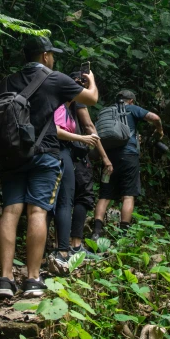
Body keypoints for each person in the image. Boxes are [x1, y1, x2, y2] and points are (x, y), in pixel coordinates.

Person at [0, 35, 98, 300]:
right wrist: (91, 79)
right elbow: (92, 98)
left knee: (10, 210)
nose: (53, 58)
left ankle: (5, 279)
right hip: (44, 154)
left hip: (11, 156)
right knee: (38, 211)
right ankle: (32, 278)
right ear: (44, 56)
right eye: (52, 54)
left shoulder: (6, 81)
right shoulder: (55, 78)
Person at [92, 88, 163, 239]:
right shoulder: (132, 109)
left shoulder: (108, 112)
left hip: (107, 157)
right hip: (128, 157)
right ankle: (123, 234)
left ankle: (96, 232)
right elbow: (155, 117)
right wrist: (159, 131)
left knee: (104, 195)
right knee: (128, 195)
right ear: (130, 101)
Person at [49, 99, 100, 272]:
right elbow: (88, 125)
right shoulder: (65, 104)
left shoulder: (60, 103)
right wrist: (84, 140)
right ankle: (66, 249)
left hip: (50, 153)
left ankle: (57, 250)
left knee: (48, 204)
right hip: (63, 153)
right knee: (68, 201)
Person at [68, 72, 113, 255]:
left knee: (63, 200)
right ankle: (76, 245)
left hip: (58, 152)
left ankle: (61, 245)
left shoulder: (57, 95)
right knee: (83, 196)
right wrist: (104, 157)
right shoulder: (76, 98)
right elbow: (89, 127)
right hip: (77, 154)